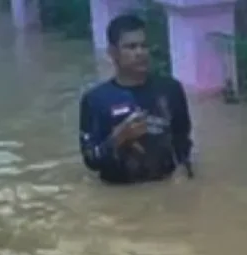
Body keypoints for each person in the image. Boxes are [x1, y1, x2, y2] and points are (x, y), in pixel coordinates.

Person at [78, 14, 193, 185]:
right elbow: (91, 161)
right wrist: (118, 137)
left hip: (166, 187)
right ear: (113, 52)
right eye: (131, 47)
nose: (140, 53)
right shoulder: (95, 100)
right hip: (118, 195)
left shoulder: (170, 89)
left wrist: (183, 169)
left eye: (144, 46)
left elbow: (182, 139)